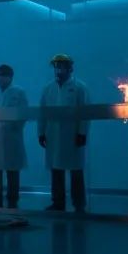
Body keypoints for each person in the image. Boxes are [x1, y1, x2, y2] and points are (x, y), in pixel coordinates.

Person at [38, 54, 89, 213]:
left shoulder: (79, 87)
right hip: (53, 134)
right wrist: (41, 132)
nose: (58, 69)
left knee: (75, 170)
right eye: (56, 66)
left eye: (62, 66)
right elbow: (42, 113)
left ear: (70, 68)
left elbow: (85, 113)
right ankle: (58, 202)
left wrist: (82, 133)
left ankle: (79, 203)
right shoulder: (48, 88)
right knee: (56, 169)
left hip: (72, 135)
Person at [0, 64, 28, 209]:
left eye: (4, 75)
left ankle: (12, 199)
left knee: (12, 169)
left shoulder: (19, 92)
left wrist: (14, 126)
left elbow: (23, 113)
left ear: (11, 77)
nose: (1, 78)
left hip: (12, 137)